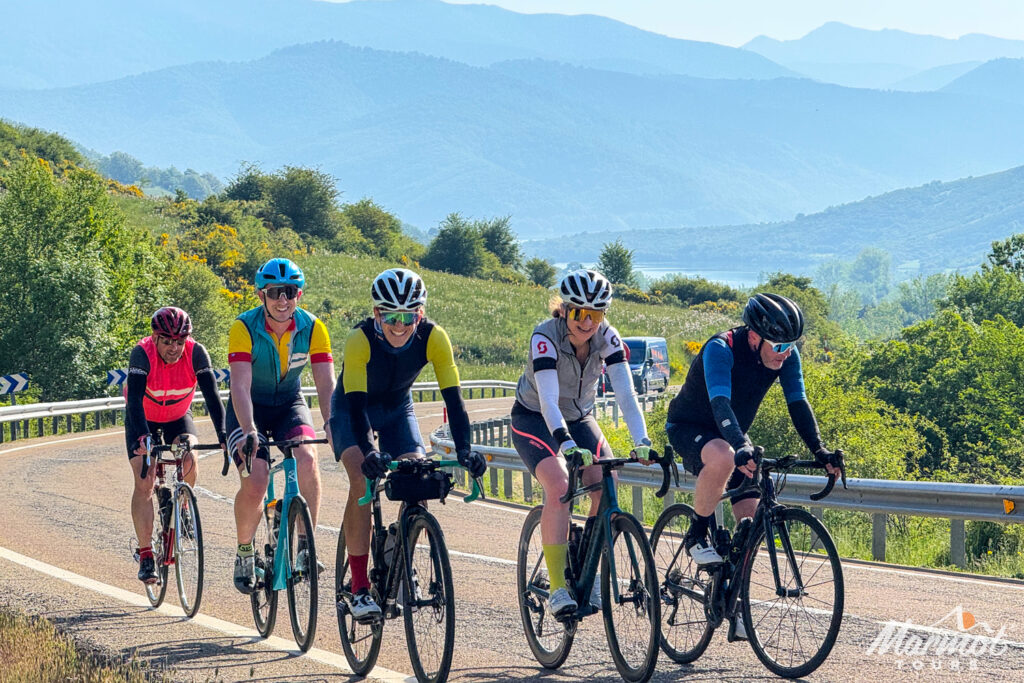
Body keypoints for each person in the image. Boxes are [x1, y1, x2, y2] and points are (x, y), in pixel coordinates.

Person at [664, 292, 840, 641]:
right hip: (691, 426)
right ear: (756, 335)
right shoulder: (721, 348)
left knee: (751, 517)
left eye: (792, 345)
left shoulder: (785, 356)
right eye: (779, 345)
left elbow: (798, 404)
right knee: (724, 456)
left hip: (732, 433)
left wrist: (820, 451)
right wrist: (740, 445)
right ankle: (697, 533)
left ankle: (735, 599)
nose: (786, 352)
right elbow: (720, 402)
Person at [333, 268, 485, 620]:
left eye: (408, 316)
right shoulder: (359, 339)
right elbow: (355, 408)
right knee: (362, 480)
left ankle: (397, 545)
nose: (399, 326)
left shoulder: (434, 337)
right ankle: (357, 588)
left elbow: (455, 401)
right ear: (376, 314)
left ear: (420, 313)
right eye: (390, 316)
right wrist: (369, 451)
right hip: (353, 410)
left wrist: (465, 449)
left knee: (418, 481)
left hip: (398, 408)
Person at [510, 269, 655, 617]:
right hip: (534, 418)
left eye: (596, 314)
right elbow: (547, 400)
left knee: (607, 486)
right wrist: (565, 444)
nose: (587, 322)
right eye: (579, 313)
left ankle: (585, 560)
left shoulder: (608, 337)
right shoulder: (545, 337)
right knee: (560, 484)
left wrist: (643, 440)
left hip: (579, 417)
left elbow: (626, 393)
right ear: (565, 310)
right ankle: (558, 585)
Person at [227, 258, 336, 594]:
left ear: (298, 294)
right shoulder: (243, 327)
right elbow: (240, 386)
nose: (282, 299)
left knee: (307, 459)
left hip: (289, 404)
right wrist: (248, 430)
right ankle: (245, 552)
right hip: (249, 409)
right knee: (257, 481)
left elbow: (325, 384)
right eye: (275, 292)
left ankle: (305, 545)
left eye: (289, 291)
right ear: (263, 294)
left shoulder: (313, 327)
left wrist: (333, 423)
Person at [125, 306, 227, 584]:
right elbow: (133, 401)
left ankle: (183, 507)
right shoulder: (141, 353)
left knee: (190, 455)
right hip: (142, 417)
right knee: (145, 480)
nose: (174, 348)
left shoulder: (196, 353)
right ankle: (146, 554)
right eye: (167, 342)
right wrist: (143, 437)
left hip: (178, 416)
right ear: (155, 337)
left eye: (179, 342)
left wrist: (224, 433)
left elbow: (213, 397)